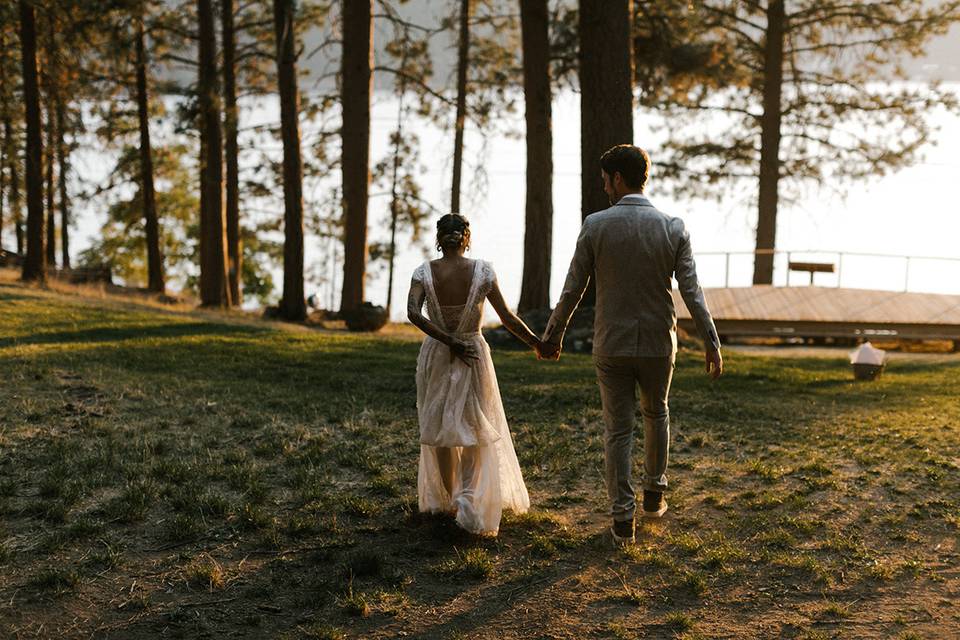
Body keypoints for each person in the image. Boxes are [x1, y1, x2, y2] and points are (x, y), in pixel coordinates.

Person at [539, 144, 723, 547]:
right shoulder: (673, 226)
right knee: (657, 413)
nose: (604, 186)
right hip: (660, 342)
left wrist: (554, 334)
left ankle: (624, 519)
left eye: (606, 179)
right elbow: (692, 292)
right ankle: (654, 495)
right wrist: (712, 341)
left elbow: (574, 287)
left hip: (612, 343)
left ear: (618, 179)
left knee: (617, 430)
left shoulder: (596, 225)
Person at [407, 213, 536, 535]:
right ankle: (468, 500)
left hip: (437, 352)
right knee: (476, 426)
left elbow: (412, 312)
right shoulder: (483, 271)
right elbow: (507, 317)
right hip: (473, 352)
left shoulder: (424, 273)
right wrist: (538, 343)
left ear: (439, 238)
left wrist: (447, 339)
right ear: (467, 237)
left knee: (441, 429)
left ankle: (450, 501)